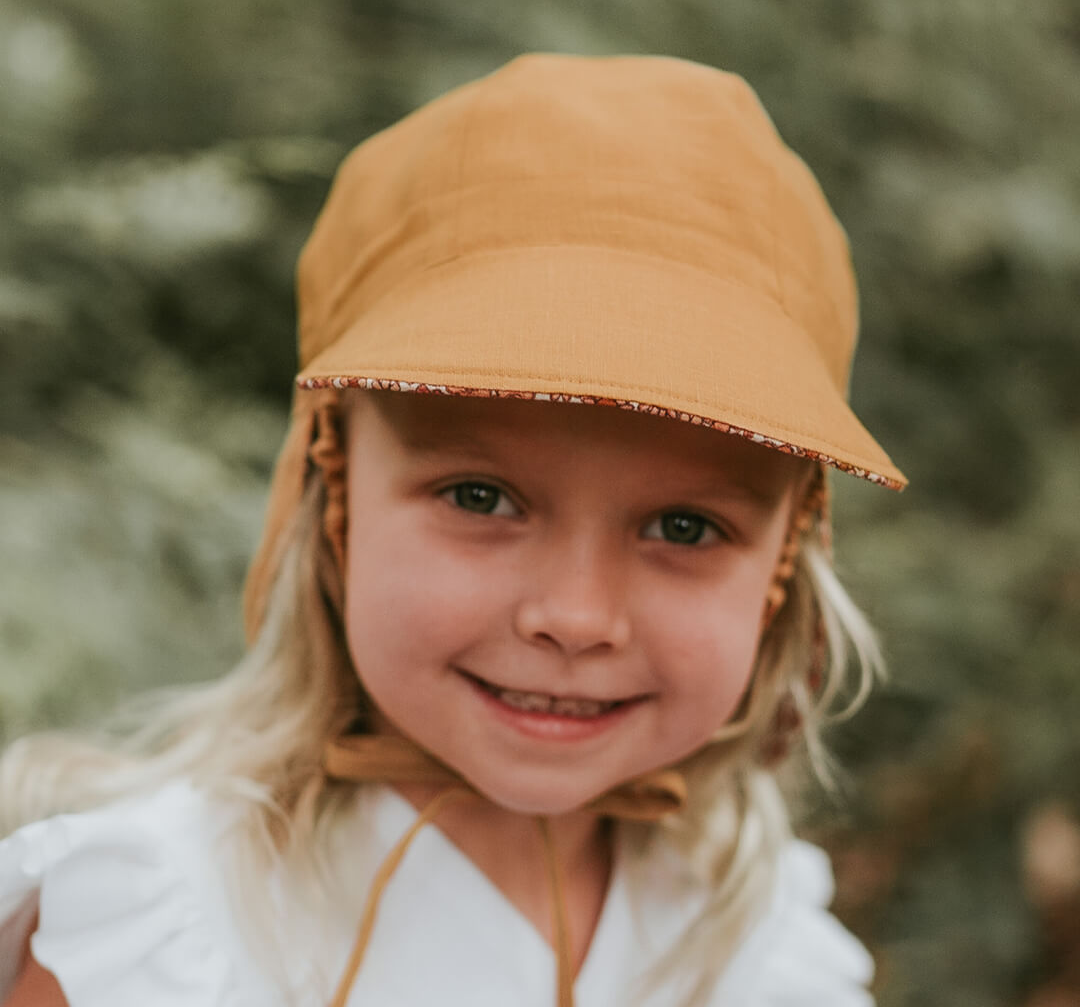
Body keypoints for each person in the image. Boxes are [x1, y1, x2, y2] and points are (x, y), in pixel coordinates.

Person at [0, 53, 907, 1007]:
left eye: (685, 525)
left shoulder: (755, 949)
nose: (576, 616)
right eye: (481, 498)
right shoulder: (170, 933)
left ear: (781, 571)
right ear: (333, 492)